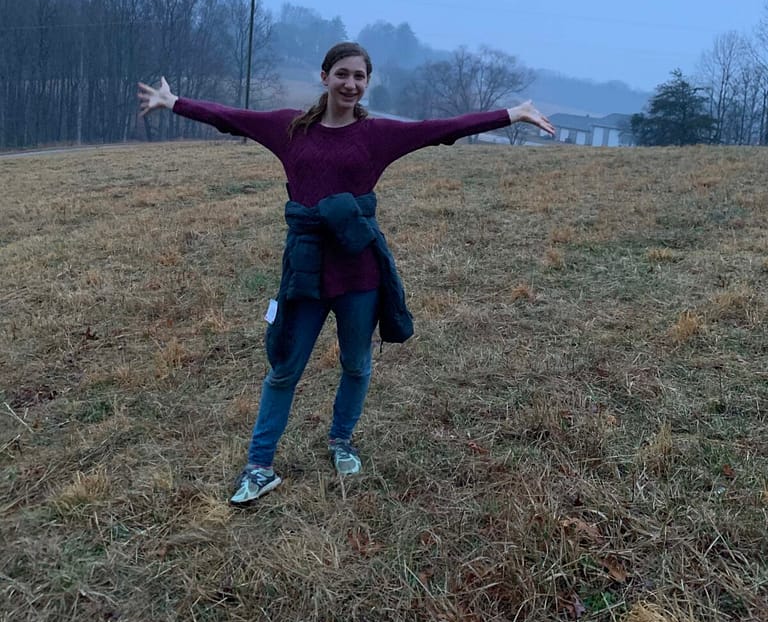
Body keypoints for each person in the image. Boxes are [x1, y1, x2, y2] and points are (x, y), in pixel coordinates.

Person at [138, 42, 554, 505]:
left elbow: (442, 129)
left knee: (356, 364)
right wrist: (174, 102)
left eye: (359, 76)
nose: (350, 84)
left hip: (359, 272)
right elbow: (230, 117)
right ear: (324, 77)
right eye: (342, 74)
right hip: (306, 269)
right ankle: (259, 466)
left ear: (366, 83)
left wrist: (513, 114)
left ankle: (340, 440)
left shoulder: (376, 136)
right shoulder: (290, 129)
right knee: (283, 369)